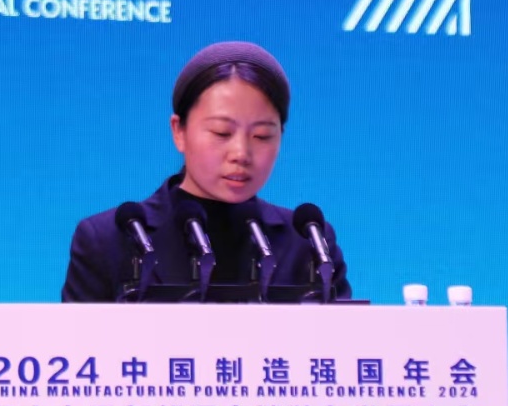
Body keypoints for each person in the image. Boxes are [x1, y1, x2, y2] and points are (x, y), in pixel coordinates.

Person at [61, 41, 352, 302]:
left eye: (262, 136)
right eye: (221, 132)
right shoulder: (109, 240)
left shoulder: (310, 243)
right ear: (179, 131)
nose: (241, 153)